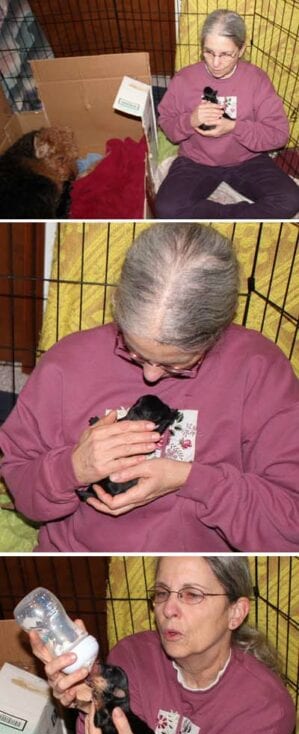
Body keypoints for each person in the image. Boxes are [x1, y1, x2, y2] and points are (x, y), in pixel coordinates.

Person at [0, 223, 298, 554]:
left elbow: (288, 527)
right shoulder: (66, 363)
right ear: (118, 304)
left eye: (178, 363)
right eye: (134, 351)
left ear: (218, 331)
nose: (152, 376)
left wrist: (192, 479)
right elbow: (23, 491)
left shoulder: (259, 368)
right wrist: (71, 468)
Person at [28, 556, 296, 734]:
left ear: (235, 613)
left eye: (192, 594)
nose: (168, 609)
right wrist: (94, 711)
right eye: (161, 592)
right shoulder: (133, 656)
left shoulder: (266, 706)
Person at [156, 9, 299, 219]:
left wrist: (234, 126)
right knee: (166, 208)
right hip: (196, 161)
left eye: (225, 54)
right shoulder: (184, 79)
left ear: (241, 50)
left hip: (247, 160)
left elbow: (279, 135)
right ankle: (233, 216)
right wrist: (190, 121)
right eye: (208, 52)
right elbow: (167, 123)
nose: (215, 63)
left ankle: (221, 216)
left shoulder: (256, 79)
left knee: (290, 200)